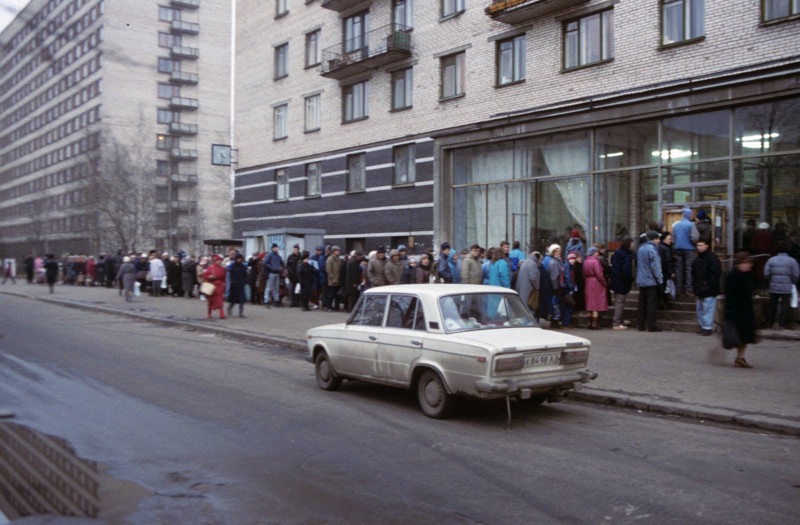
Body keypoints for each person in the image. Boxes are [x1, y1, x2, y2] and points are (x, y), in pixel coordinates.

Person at [724, 252, 757, 368]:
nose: (749, 265)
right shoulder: (733, 276)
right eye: (747, 263)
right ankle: (739, 357)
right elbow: (730, 295)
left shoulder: (747, 275)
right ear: (740, 264)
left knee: (745, 336)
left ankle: (740, 357)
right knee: (738, 335)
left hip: (745, 310)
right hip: (737, 311)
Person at [764, 240, 800, 329]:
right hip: (787, 285)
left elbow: (766, 273)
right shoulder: (792, 261)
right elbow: (796, 274)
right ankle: (782, 324)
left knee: (772, 304)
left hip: (774, 285)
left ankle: (769, 323)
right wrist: (792, 282)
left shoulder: (771, 260)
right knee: (785, 305)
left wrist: (770, 280)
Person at [691, 239, 722, 336]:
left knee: (707, 308)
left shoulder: (712, 258)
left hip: (708, 288)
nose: (699, 247)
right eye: (698, 245)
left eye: (701, 245)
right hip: (701, 288)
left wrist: (707, 285)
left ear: (706, 246)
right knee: (700, 309)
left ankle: (707, 327)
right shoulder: (697, 259)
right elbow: (693, 274)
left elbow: (715, 274)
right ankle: (704, 326)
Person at [636, 231, 663, 332]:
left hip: (642, 279)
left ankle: (640, 325)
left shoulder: (641, 249)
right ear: (655, 239)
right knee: (651, 303)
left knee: (642, 303)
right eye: (658, 239)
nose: (659, 241)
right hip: (651, 280)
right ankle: (651, 325)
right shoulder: (653, 250)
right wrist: (660, 280)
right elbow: (656, 266)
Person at [672, 207, 699, 297]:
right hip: (689, 249)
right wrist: (693, 244)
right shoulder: (691, 225)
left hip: (678, 248)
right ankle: (688, 289)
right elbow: (694, 238)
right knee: (688, 268)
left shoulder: (676, 225)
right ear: (690, 215)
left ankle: (679, 289)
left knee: (679, 269)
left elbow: (673, 239)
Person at [610, 238, 634, 330]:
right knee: (620, 302)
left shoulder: (616, 253)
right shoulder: (627, 256)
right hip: (622, 281)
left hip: (616, 280)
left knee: (618, 301)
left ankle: (620, 320)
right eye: (632, 244)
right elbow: (626, 271)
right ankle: (617, 323)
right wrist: (630, 279)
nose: (633, 245)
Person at [583, 247, 608, 330]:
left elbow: (583, 273)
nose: (597, 253)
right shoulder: (595, 261)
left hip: (588, 282)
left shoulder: (585, 261)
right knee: (595, 304)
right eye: (596, 252)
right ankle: (594, 323)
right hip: (596, 282)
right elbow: (599, 274)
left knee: (589, 303)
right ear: (593, 253)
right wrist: (604, 283)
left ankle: (588, 323)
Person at [514, 250, 540, 319]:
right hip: (529, 290)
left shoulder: (525, 262)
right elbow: (533, 278)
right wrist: (537, 287)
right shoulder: (533, 264)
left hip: (522, 289)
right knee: (529, 309)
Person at [203, 254, 227, 319]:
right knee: (211, 301)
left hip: (219, 287)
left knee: (220, 300)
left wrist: (224, 285)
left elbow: (224, 278)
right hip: (212, 286)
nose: (219, 262)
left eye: (220, 260)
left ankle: (221, 314)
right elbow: (205, 275)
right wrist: (210, 276)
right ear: (215, 260)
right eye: (218, 260)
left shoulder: (223, 269)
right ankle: (209, 313)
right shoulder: (210, 267)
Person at [659, 231, 676, 308]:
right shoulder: (666, 249)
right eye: (669, 239)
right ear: (664, 239)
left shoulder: (659, 247)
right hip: (665, 272)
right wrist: (671, 271)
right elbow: (668, 261)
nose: (670, 240)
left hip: (661, 271)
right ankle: (664, 303)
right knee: (666, 287)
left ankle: (661, 302)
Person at [325, 245, 343, 311]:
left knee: (337, 295)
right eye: (337, 251)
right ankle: (329, 307)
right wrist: (333, 278)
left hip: (338, 279)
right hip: (332, 280)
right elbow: (329, 270)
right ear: (334, 251)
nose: (339, 252)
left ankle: (336, 307)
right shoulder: (330, 259)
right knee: (331, 295)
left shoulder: (338, 259)